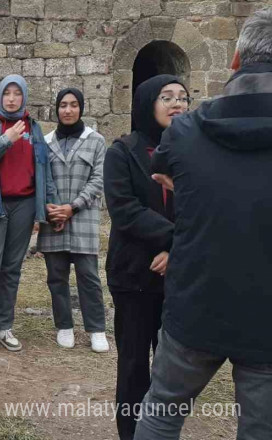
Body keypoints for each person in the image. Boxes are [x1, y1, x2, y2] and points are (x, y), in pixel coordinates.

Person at [134, 10, 272, 439]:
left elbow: (163, 169)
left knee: (160, 416)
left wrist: (197, 187)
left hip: (197, 298)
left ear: (234, 60)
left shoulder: (186, 131)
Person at [103, 74, 184, 440]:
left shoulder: (195, 153)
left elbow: (207, 206)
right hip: (135, 274)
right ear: (147, 103)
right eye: (166, 97)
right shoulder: (122, 152)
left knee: (174, 368)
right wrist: (178, 237)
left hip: (180, 275)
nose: (177, 103)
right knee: (135, 365)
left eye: (183, 97)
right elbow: (125, 210)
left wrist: (178, 249)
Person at [0, 74, 58, 360]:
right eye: (7, 93)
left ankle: (3, 327)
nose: (12, 98)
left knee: (12, 268)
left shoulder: (34, 128)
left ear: (24, 97)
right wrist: (5, 140)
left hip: (25, 205)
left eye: (17, 93)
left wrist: (49, 205)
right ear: (0, 96)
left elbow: (44, 168)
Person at [37, 88, 109, 353]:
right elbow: (41, 179)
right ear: (56, 109)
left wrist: (73, 207)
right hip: (53, 218)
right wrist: (50, 210)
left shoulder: (96, 140)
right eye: (63, 105)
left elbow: (99, 179)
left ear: (81, 108)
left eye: (74, 105)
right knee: (56, 277)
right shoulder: (45, 143)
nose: (68, 110)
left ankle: (96, 328)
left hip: (83, 218)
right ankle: (64, 325)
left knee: (88, 276)